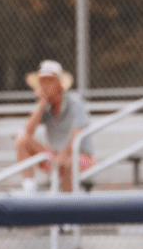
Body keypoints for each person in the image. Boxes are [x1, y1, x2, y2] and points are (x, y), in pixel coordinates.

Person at [16, 60, 94, 193]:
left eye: (49, 81)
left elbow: (76, 136)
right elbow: (28, 132)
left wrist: (62, 157)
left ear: (59, 84)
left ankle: (66, 205)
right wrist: (42, 103)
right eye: (42, 81)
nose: (45, 85)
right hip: (55, 157)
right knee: (22, 142)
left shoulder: (75, 102)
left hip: (78, 157)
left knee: (69, 163)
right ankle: (29, 189)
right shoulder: (45, 107)